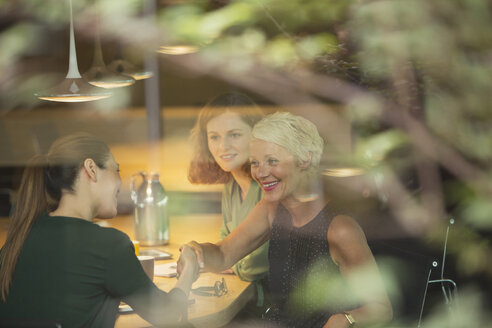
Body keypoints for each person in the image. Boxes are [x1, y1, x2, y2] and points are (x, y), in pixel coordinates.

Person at [180, 112, 393, 328]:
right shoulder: (271, 209)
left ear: (305, 158)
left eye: (272, 161)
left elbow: (381, 310)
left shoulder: (340, 229)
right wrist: (198, 251)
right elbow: (224, 254)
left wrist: (346, 319)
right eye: (255, 162)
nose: (260, 173)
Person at [0, 133, 199, 328]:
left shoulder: (20, 236)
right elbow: (168, 316)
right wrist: (189, 268)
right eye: (116, 169)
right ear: (91, 169)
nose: (120, 182)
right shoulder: (109, 245)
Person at [188, 93, 269, 306]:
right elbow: (226, 242)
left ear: (256, 136)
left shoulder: (269, 186)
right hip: (248, 302)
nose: (223, 146)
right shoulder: (232, 185)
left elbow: (253, 267)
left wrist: (229, 259)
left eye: (234, 135)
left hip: (273, 308)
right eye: (214, 137)